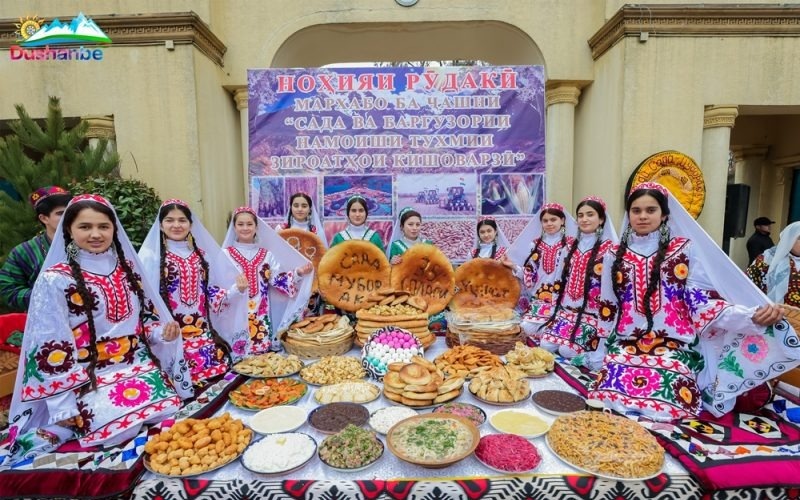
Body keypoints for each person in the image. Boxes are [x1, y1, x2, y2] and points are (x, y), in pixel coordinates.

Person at [0, 194, 191, 465]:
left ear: (114, 229)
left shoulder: (128, 272)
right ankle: (63, 428)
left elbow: (143, 323)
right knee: (118, 429)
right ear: (69, 230)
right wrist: (62, 407)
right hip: (87, 377)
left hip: (136, 368)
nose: (95, 234)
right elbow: (51, 347)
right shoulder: (56, 279)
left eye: (103, 226)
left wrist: (162, 334)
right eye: (85, 227)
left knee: (168, 411)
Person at [590, 182, 799, 421]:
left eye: (651, 210)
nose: (643, 216)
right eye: (636, 210)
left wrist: (749, 316)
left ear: (664, 214)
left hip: (673, 345)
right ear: (628, 214)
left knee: (665, 399)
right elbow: (607, 305)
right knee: (608, 396)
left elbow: (700, 300)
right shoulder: (613, 254)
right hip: (627, 342)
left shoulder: (684, 250)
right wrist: (600, 350)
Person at [139, 199, 249, 386]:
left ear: (191, 224)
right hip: (171, 338)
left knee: (219, 387)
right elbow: (147, 301)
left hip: (204, 337)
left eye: (182, 220)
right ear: (160, 224)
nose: (176, 225)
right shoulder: (150, 257)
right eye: (169, 220)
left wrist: (234, 290)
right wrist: (160, 334)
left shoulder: (202, 256)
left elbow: (210, 294)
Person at [539, 196, 618, 368]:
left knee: (568, 351)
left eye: (590, 214)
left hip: (592, 315)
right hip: (567, 312)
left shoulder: (610, 249)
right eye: (580, 215)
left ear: (601, 218)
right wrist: (554, 308)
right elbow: (559, 280)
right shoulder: (569, 247)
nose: (584, 219)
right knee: (546, 345)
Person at [223, 206, 313, 353]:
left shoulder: (266, 255)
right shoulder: (225, 255)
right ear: (233, 227)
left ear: (256, 227)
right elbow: (218, 287)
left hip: (261, 315)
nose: (245, 228)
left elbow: (277, 280)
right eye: (240, 224)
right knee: (238, 358)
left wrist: (298, 273)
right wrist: (235, 290)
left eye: (249, 224)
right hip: (236, 315)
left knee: (262, 362)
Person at [507, 203, 577, 341]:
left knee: (551, 334)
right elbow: (529, 274)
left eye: (553, 220)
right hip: (540, 301)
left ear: (562, 221)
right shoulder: (535, 245)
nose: (549, 223)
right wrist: (513, 266)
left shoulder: (571, 244)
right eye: (545, 221)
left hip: (562, 302)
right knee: (524, 328)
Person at [0, 186, 72, 311]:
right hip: (44, 320)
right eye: (60, 213)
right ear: (44, 218)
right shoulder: (24, 251)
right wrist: (43, 296)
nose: (68, 217)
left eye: (71, 212)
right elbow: (8, 289)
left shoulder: (88, 244)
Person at [746, 221, 800, 307]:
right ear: (789, 238)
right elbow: (748, 286)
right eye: (799, 238)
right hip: (770, 314)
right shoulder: (767, 260)